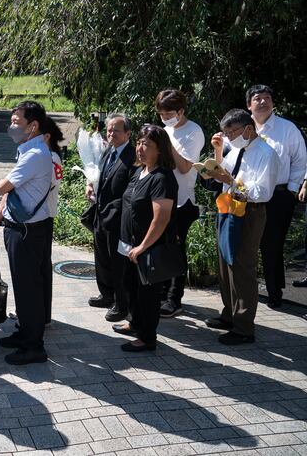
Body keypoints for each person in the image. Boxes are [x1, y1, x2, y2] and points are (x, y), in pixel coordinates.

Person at [0, 100, 53, 365]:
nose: (11, 127)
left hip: (28, 232)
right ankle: (24, 333)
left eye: (16, 122)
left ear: (33, 125)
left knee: (29, 291)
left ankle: (33, 346)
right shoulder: (28, 150)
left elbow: (2, 187)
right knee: (25, 288)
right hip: (25, 229)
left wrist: (6, 182)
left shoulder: (35, 154)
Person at [205, 109, 278, 344]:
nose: (228, 137)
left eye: (231, 132)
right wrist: (217, 152)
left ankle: (244, 327)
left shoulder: (266, 154)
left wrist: (232, 183)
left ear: (248, 129)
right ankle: (230, 314)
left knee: (242, 266)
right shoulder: (236, 148)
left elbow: (262, 193)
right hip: (228, 207)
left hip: (249, 213)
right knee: (225, 262)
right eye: (225, 132)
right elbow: (219, 174)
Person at [112, 125, 178, 352]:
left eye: (147, 145)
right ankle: (135, 323)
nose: (140, 148)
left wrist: (142, 246)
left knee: (147, 295)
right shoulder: (140, 171)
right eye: (139, 143)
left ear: (160, 150)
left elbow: (161, 219)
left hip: (148, 248)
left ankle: (148, 338)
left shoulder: (162, 178)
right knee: (130, 287)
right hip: (129, 245)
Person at [245, 85, 307, 308]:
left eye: (267, 98)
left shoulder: (286, 128)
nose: (263, 102)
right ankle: (248, 290)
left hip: (279, 196)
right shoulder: (243, 127)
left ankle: (274, 291)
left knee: (273, 245)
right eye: (258, 98)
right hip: (247, 195)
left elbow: (300, 160)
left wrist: (292, 189)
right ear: (249, 105)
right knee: (248, 243)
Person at [155, 89, 205, 317]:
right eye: (161, 114)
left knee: (176, 249)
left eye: (169, 114)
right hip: (162, 197)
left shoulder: (193, 131)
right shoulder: (165, 130)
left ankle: (175, 298)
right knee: (162, 248)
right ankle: (163, 294)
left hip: (182, 201)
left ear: (181, 111)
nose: (165, 119)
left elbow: (185, 167)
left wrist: (166, 142)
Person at [88, 114, 135, 322]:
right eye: (109, 129)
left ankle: (121, 303)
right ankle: (106, 294)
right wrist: (91, 187)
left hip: (118, 218)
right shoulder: (108, 152)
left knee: (119, 264)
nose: (111, 133)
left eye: (116, 130)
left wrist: (114, 209)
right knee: (102, 258)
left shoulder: (133, 156)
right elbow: (101, 177)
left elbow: (131, 191)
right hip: (100, 213)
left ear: (128, 133)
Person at [40, 116, 64, 324]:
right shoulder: (46, 155)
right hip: (42, 215)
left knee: (42, 268)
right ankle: (40, 312)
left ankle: (43, 314)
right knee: (41, 267)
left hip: (44, 215)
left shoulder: (52, 157)